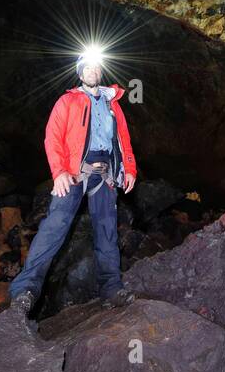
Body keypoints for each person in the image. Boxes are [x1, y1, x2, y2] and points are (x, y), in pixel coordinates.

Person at [8, 53, 138, 316]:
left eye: (96, 67)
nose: (92, 70)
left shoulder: (114, 104)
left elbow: (123, 138)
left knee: (107, 230)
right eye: (87, 67)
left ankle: (111, 289)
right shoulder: (67, 101)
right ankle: (24, 292)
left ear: (101, 72)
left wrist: (130, 169)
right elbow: (52, 137)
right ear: (80, 73)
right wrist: (58, 173)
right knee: (54, 227)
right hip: (74, 171)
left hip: (106, 173)